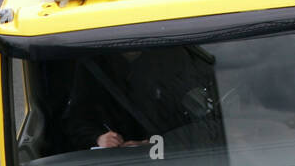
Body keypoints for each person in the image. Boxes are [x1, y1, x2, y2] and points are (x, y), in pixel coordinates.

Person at [62, 49, 215, 150]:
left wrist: (160, 141)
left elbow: (201, 117)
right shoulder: (93, 65)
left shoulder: (173, 56)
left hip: (173, 161)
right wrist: (99, 138)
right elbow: (76, 120)